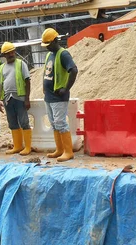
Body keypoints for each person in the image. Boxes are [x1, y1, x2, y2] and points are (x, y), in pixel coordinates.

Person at [41, 28, 78, 162]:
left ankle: (68, 151)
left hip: (58, 97)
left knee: (60, 123)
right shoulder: (49, 55)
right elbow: (46, 72)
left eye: (48, 44)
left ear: (55, 41)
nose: (46, 48)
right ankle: (60, 149)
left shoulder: (63, 54)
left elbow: (73, 70)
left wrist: (66, 88)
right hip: (49, 96)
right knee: (54, 123)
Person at [0, 42, 32, 156]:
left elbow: (27, 81)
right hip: (7, 99)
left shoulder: (21, 64)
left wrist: (27, 99)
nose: (11, 54)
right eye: (8, 53)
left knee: (24, 122)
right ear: (4, 55)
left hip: (19, 98)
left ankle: (28, 147)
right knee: (12, 123)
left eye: (12, 52)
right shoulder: (1, 68)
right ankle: (18, 146)